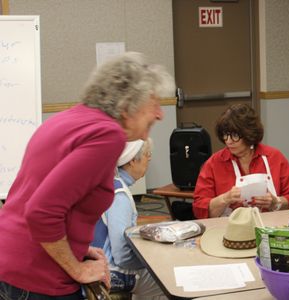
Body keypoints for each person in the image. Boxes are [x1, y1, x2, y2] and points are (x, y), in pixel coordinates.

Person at [0, 52, 174, 299]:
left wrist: (78, 249)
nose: (160, 113)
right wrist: (77, 268)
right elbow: (41, 211)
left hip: (13, 262)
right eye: (153, 102)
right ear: (128, 105)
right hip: (39, 275)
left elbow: (47, 199)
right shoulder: (107, 135)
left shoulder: (71, 119)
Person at [192, 103, 289, 218]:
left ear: (249, 134)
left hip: (270, 228)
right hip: (229, 230)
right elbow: (199, 209)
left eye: (235, 135)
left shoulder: (274, 157)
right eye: (225, 135)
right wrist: (225, 199)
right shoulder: (214, 164)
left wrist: (275, 202)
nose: (229, 141)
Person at [91, 139, 166, 299]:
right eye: (148, 155)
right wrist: (151, 262)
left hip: (97, 263)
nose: (150, 159)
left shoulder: (108, 184)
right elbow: (121, 255)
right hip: (110, 270)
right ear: (133, 160)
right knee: (167, 279)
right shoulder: (119, 196)